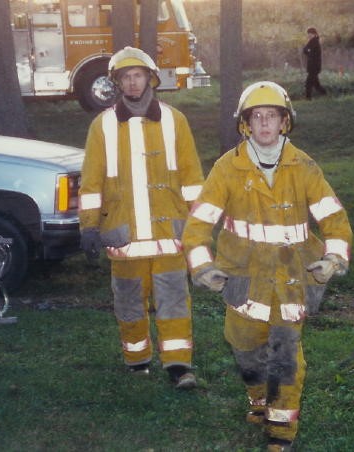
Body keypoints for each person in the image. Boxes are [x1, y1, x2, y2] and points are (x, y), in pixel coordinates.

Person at [182, 81, 352, 451]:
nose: (263, 124)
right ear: (245, 124)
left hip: (292, 280)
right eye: (256, 116)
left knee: (286, 357)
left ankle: (280, 434)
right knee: (244, 347)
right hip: (243, 280)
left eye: (271, 116)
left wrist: (332, 259)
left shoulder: (304, 166)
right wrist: (203, 268)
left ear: (284, 122)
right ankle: (258, 397)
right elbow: (197, 226)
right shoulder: (228, 168)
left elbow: (335, 222)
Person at [78, 47, 204, 389]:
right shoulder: (102, 125)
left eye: (138, 76)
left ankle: (179, 366)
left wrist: (200, 227)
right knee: (130, 303)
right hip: (124, 239)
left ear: (150, 78)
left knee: (174, 303)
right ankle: (137, 360)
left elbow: (193, 179)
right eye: (125, 77)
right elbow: (91, 182)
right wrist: (88, 226)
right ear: (117, 83)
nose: (133, 83)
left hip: (170, 238)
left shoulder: (175, 120)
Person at [302, 27, 327, 100]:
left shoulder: (314, 41)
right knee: (316, 84)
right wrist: (309, 51)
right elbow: (305, 50)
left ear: (314, 34)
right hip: (312, 66)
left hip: (314, 66)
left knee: (308, 83)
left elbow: (309, 51)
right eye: (308, 34)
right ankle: (324, 93)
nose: (309, 35)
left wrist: (309, 51)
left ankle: (308, 98)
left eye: (310, 34)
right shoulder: (312, 41)